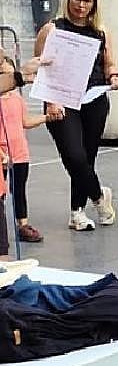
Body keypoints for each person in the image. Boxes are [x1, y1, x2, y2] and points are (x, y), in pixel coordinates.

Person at [34, 0, 118, 232]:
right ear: (68, 0)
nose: (81, 5)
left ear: (94, 5)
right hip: (60, 99)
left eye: (87, 1)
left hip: (94, 98)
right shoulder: (52, 29)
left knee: (87, 157)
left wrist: (114, 76)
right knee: (73, 155)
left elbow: (109, 64)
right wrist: (51, 100)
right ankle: (98, 195)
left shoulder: (100, 32)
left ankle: (77, 212)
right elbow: (39, 67)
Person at [0, 57, 47, 244]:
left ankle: (23, 225)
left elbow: (25, 122)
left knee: (19, 190)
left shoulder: (17, 99)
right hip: (2, 153)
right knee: (1, 193)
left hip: (19, 153)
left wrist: (47, 118)